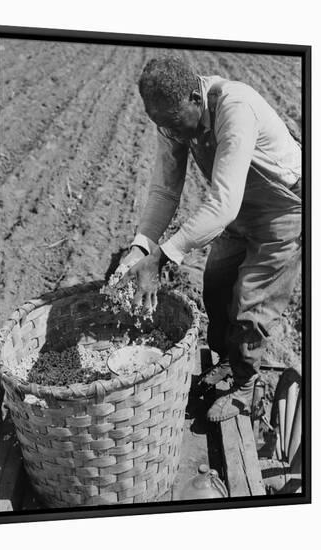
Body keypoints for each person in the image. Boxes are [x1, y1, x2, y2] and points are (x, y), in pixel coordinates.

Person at [116, 57, 301, 422]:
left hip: (282, 211)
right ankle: (227, 363)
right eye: (162, 125)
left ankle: (246, 388)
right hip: (237, 211)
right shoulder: (172, 121)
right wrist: (140, 246)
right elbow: (165, 191)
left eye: (174, 123)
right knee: (215, 285)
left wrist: (161, 258)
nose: (173, 133)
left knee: (251, 304)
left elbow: (223, 200)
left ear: (194, 98)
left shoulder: (235, 107)